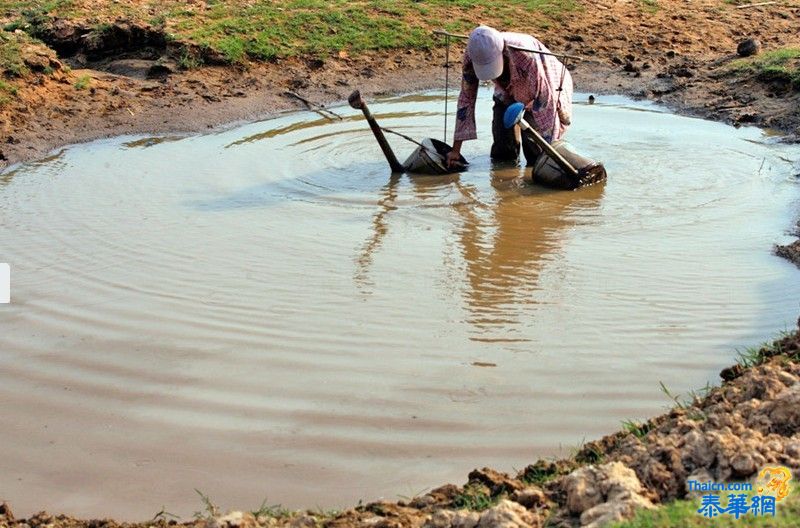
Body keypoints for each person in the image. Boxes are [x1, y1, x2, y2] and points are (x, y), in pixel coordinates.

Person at [445, 25, 573, 169]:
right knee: (502, 148)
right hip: (506, 89)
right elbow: (466, 100)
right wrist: (455, 150)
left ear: (502, 52)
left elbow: (546, 108)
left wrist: (551, 158)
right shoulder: (472, 54)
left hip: (547, 85)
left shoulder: (525, 57)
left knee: (536, 150)